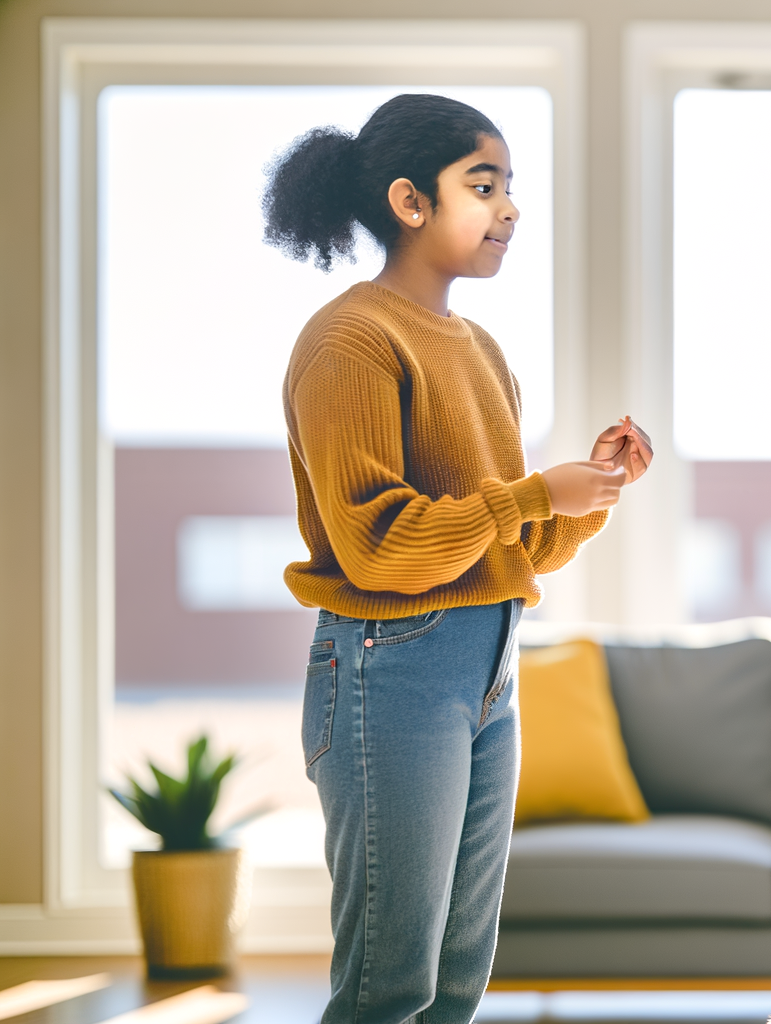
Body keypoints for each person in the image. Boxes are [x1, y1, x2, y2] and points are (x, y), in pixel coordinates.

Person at [264, 94, 651, 1024]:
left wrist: (589, 494)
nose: (509, 209)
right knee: (388, 982)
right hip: (389, 666)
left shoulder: (480, 350)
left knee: (457, 975)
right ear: (410, 201)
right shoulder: (349, 342)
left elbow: (506, 547)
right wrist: (530, 496)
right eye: (483, 185)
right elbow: (381, 547)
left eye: (510, 185)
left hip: (489, 662)